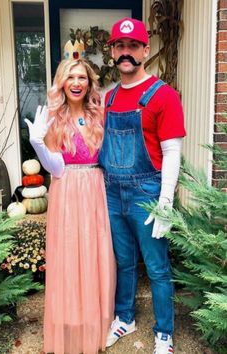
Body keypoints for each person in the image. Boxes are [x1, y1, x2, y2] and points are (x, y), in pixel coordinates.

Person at [98, 17, 186, 354]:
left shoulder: (163, 96)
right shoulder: (108, 98)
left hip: (147, 193)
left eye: (133, 46)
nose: (125, 53)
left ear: (145, 50)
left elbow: (172, 151)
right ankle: (125, 318)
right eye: (119, 46)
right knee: (123, 262)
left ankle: (164, 333)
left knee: (158, 267)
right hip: (112, 193)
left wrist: (166, 201)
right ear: (112, 53)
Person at [25, 58, 116, 354]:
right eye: (70, 77)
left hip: (95, 190)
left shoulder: (98, 114)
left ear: (89, 82)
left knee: (94, 253)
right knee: (69, 256)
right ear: (61, 83)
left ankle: (94, 323)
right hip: (67, 190)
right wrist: (38, 143)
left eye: (82, 77)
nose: (77, 83)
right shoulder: (52, 117)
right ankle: (70, 325)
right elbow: (57, 168)